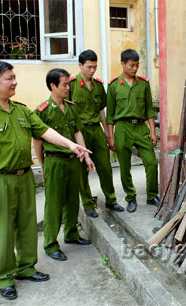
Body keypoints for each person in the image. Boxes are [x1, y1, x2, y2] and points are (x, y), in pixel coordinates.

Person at [0, 61, 90, 300]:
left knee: (28, 225)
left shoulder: (21, 110)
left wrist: (72, 144)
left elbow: (44, 131)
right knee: (4, 232)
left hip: (24, 177)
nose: (14, 82)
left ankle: (26, 267)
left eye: (14, 77)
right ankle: (4, 277)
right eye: (9, 78)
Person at [33, 68, 95, 262]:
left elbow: (77, 133)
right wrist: (43, 166)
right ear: (53, 86)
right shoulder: (42, 111)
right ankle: (51, 244)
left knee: (72, 200)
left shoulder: (70, 107)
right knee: (54, 204)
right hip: (54, 161)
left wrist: (86, 157)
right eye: (65, 85)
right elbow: (37, 142)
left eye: (69, 84)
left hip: (73, 160)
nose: (68, 87)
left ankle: (71, 234)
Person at [69, 50, 124, 218]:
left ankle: (111, 200)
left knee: (105, 167)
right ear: (80, 66)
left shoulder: (98, 85)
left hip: (96, 130)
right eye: (89, 67)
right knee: (82, 170)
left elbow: (102, 111)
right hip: (80, 132)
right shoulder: (71, 85)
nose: (92, 70)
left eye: (95, 67)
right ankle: (87, 203)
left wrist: (108, 134)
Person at [106, 49, 159, 213]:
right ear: (123, 64)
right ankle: (131, 197)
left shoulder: (143, 84)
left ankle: (152, 195)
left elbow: (150, 110)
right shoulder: (114, 86)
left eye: (137, 65)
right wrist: (110, 136)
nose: (135, 69)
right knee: (124, 166)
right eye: (131, 65)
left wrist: (152, 131)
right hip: (122, 128)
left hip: (140, 127)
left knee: (151, 162)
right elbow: (110, 116)